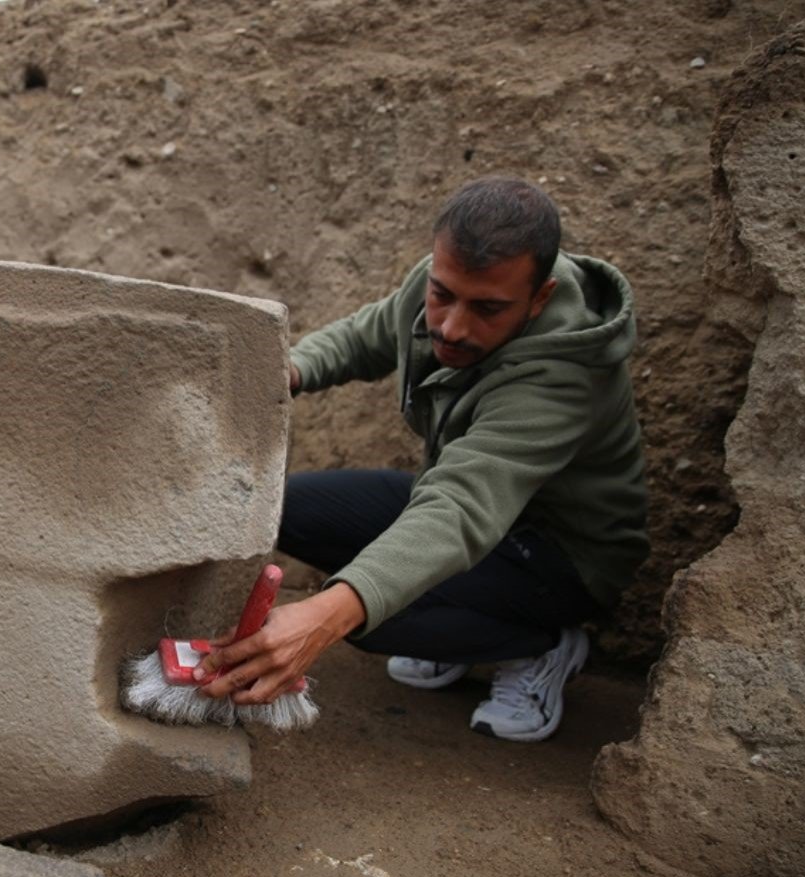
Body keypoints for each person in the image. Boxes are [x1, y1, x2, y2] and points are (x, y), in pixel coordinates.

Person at [193, 176, 648, 742]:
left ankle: (541, 647)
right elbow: (366, 336)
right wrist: (290, 370)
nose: (452, 327)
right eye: (442, 296)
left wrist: (326, 617)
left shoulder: (566, 379)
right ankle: (459, 629)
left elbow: (459, 507)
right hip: (463, 506)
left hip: (557, 557)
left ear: (540, 298)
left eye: (488, 309)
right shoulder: (443, 282)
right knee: (278, 510)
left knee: (366, 613)